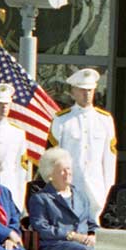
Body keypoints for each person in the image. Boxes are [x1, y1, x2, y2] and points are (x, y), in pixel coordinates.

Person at [29, 147, 99, 250]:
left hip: (85, 244)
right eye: (62, 170)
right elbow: (41, 227)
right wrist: (72, 236)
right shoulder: (40, 199)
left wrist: (94, 235)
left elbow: (91, 223)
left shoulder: (81, 195)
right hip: (56, 245)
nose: (68, 173)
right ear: (50, 174)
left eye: (69, 169)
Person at [46, 68, 119, 221]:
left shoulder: (105, 120)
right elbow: (54, 158)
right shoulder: (62, 120)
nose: (87, 94)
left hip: (97, 188)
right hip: (70, 184)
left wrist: (109, 189)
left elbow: (109, 159)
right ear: (73, 91)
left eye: (90, 90)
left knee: (95, 232)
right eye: (82, 90)